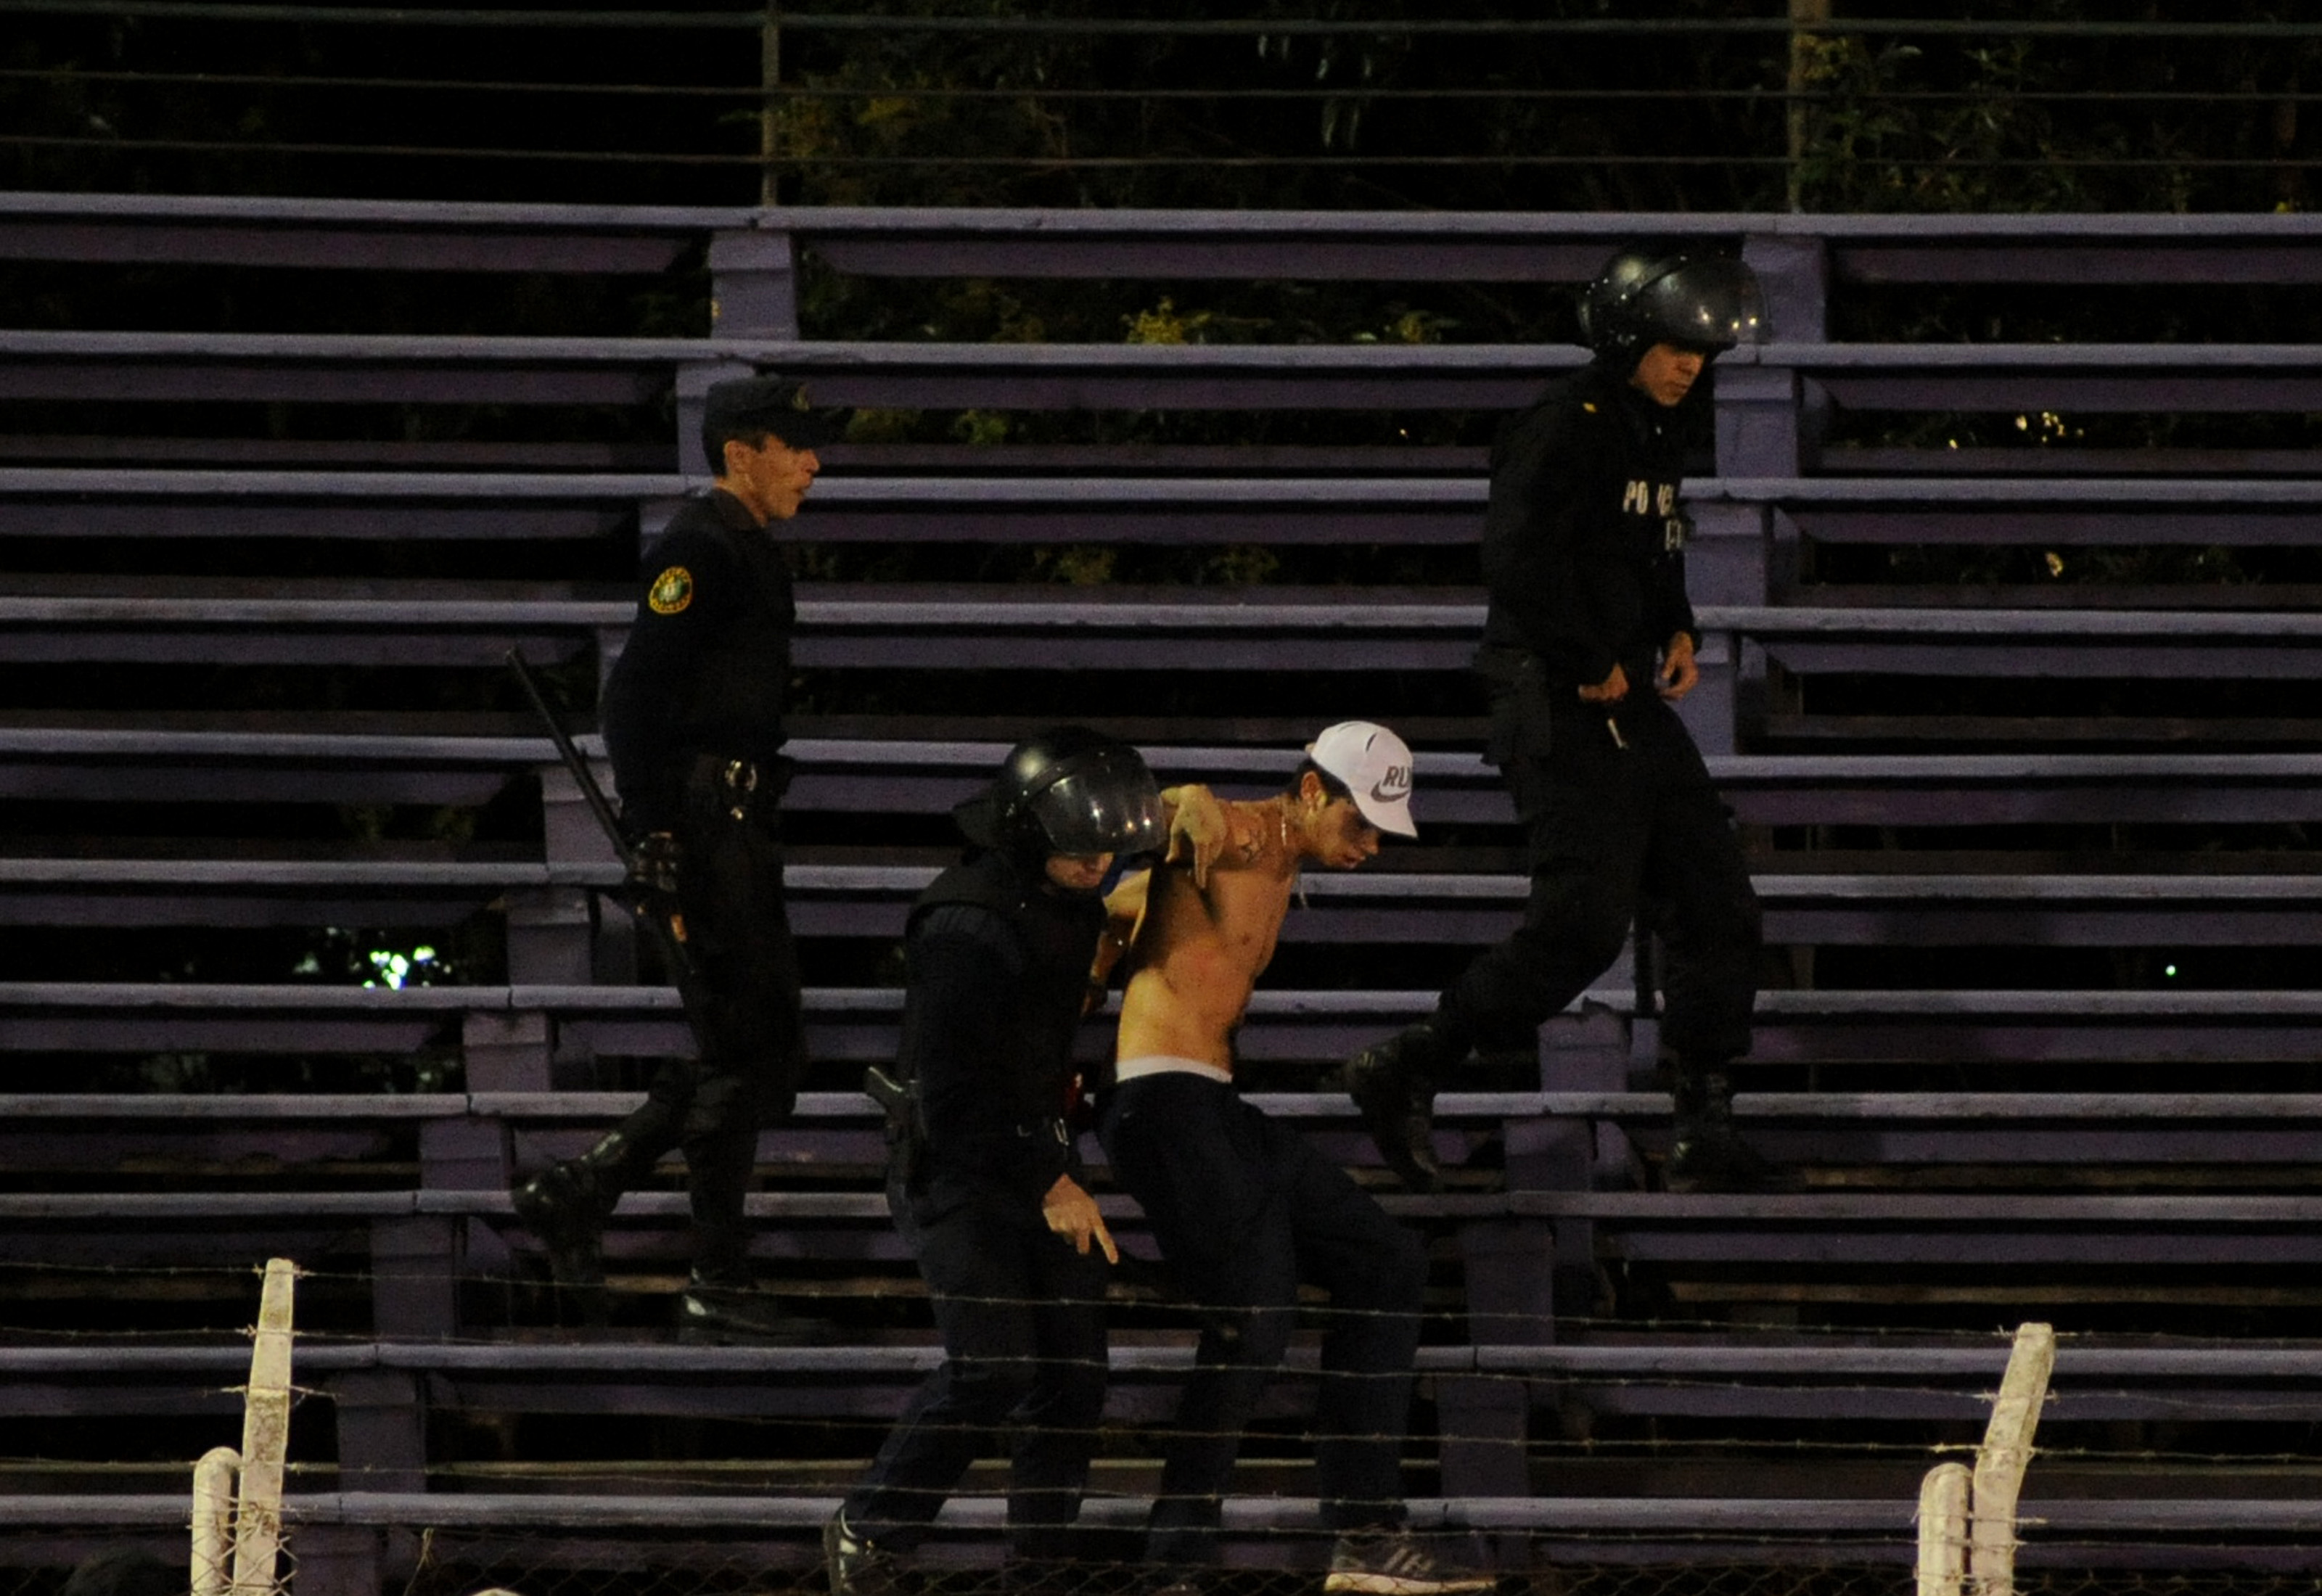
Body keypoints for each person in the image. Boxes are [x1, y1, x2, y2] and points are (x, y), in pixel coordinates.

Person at [1345, 246, 1775, 1196]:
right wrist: (1585, 660)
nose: (1689, 367)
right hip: (1555, 695)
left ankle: (1703, 1122)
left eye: (1699, 353)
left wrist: (1676, 627)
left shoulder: (1653, 428)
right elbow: (1516, 558)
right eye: (1672, 349)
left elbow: (1652, 545)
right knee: (1582, 923)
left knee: (1717, 902)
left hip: (1624, 693)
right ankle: (1414, 1060)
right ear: (1625, 339)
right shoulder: (1565, 424)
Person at [1094, 723, 1493, 1596]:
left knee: (1385, 1261)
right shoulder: (1239, 831)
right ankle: (1173, 1566)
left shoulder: (1281, 861)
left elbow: (1129, 900)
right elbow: (1163, 820)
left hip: (1208, 1103)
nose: (1372, 845)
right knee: (1256, 1311)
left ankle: (1362, 1531)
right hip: (1162, 1102)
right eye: (1360, 824)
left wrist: (1120, 920)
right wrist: (1178, 801)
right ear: (1311, 791)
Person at [825, 730, 1223, 1596]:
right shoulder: (964, 923)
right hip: (954, 1160)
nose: (1099, 866)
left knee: (1074, 1373)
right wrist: (1048, 1183)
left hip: (1035, 1140)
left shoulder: (1071, 896)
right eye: (1082, 852)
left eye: (1110, 852)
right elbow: (955, 1095)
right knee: (993, 1366)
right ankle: (870, 1529)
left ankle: (1038, 1568)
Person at [512, 371, 845, 1341]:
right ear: (744, 451)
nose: (814, 463)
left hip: (736, 821)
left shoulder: (745, 549)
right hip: (707, 828)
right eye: (797, 444)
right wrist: (655, 830)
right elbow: (630, 701)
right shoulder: (701, 550)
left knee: (751, 1050)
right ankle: (710, 1270)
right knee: (748, 1052)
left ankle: (589, 1186)